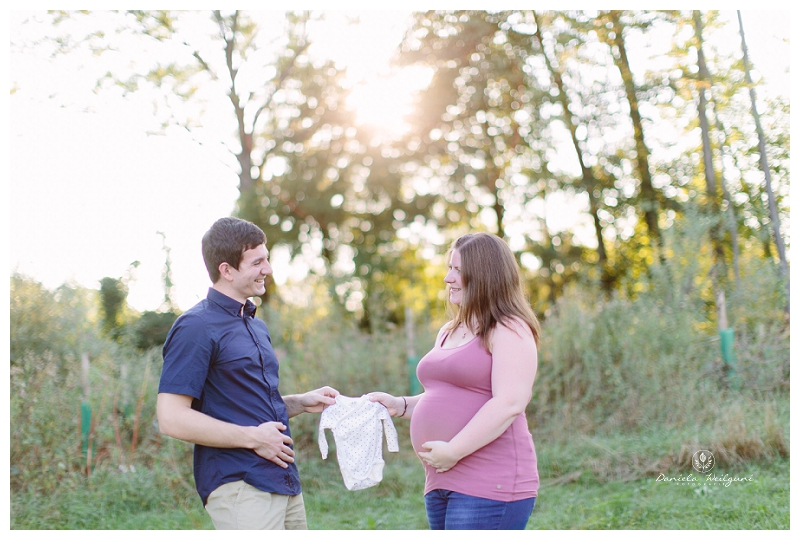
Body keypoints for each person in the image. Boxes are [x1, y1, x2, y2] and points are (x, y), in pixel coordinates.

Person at [157, 216, 339, 530]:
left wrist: (298, 402)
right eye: (257, 262)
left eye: (266, 259)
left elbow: (240, 403)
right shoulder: (196, 326)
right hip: (240, 484)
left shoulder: (255, 325)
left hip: (282, 480)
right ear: (226, 270)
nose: (267, 269)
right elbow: (171, 417)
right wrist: (254, 438)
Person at [369, 232, 540, 530]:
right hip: (441, 480)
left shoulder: (509, 328)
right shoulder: (450, 330)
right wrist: (400, 405)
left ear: (486, 275)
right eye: (450, 268)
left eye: (459, 270)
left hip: (490, 482)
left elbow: (509, 402)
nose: (448, 278)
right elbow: (447, 395)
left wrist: (455, 450)